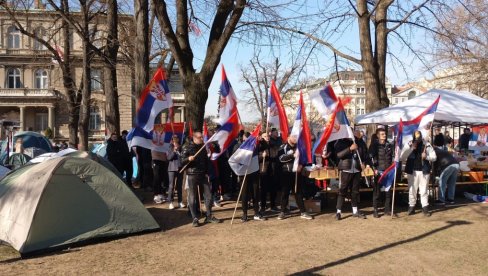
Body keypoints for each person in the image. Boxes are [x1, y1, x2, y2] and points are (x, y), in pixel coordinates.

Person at [181, 132, 222, 227]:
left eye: (202, 137)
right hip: (192, 174)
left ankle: (209, 215)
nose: (202, 139)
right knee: (192, 196)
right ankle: (195, 218)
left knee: (208, 195)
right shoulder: (186, 147)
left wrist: (207, 172)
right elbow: (181, 161)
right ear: (194, 138)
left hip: (203, 174)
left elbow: (206, 160)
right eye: (200, 138)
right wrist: (188, 159)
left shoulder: (203, 147)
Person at [334, 130, 369, 220]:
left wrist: (364, 163)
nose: (355, 135)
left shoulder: (360, 142)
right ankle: (338, 212)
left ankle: (355, 211)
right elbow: (339, 155)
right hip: (346, 169)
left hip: (357, 170)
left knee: (355, 192)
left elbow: (364, 154)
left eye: (356, 133)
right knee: (342, 191)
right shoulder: (340, 141)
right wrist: (350, 149)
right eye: (354, 133)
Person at [401, 130, 437, 217]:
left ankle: (425, 208)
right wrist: (410, 149)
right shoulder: (409, 144)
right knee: (412, 190)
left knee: (424, 190)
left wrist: (427, 157)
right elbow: (402, 157)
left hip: (424, 171)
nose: (418, 140)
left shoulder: (427, 144)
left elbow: (434, 157)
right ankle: (411, 207)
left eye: (419, 138)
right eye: (416, 138)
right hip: (412, 170)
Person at [277, 135, 313, 220]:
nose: (295, 139)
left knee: (298, 193)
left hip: (297, 173)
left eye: (296, 137)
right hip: (286, 173)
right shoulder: (283, 147)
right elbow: (281, 158)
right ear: (288, 138)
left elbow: (304, 158)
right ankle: (282, 211)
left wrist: (301, 165)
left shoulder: (299, 147)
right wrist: (292, 155)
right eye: (293, 137)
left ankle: (303, 212)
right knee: (285, 193)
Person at [239, 132, 266, 222]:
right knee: (245, 194)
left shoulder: (255, 147)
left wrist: (261, 140)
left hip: (254, 172)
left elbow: (265, 146)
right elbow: (235, 159)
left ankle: (256, 213)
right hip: (244, 174)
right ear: (243, 139)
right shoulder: (239, 147)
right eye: (247, 139)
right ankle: (245, 214)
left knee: (255, 193)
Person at [368, 128, 395, 218]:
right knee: (377, 192)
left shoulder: (389, 145)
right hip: (378, 171)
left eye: (385, 134)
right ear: (378, 135)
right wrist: (374, 168)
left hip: (388, 171)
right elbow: (370, 159)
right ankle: (375, 210)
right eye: (382, 134)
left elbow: (392, 157)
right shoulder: (374, 146)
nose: (384, 135)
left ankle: (387, 210)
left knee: (388, 192)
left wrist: (393, 166)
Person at [167, 135, 185, 209]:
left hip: (180, 168)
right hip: (172, 169)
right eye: (174, 138)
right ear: (172, 139)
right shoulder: (170, 147)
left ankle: (180, 201)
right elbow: (169, 158)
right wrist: (174, 151)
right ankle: (170, 202)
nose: (175, 139)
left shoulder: (181, 147)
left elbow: (183, 157)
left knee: (179, 186)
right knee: (171, 186)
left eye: (176, 138)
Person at [267, 128, 282, 212]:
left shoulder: (280, 140)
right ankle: (272, 204)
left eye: (277, 132)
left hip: (279, 166)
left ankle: (279, 203)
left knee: (278, 186)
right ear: (271, 133)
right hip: (271, 167)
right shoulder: (269, 142)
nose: (277, 133)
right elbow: (274, 152)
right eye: (275, 132)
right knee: (272, 187)